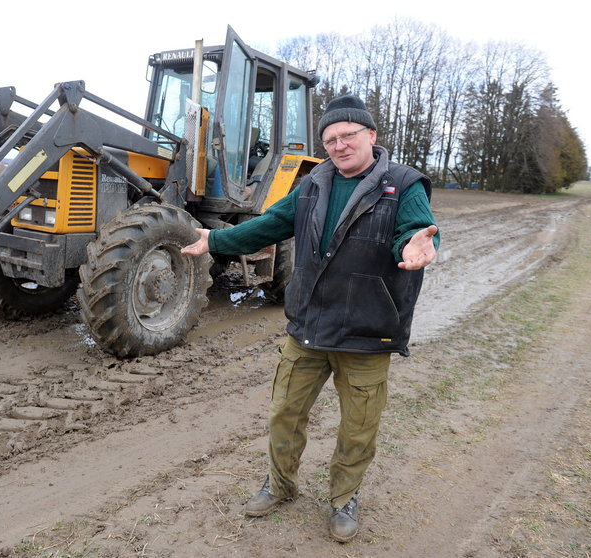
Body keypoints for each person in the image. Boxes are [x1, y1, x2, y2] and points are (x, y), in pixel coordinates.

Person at [181, 94, 439, 542]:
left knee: (358, 427)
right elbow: (271, 223)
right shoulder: (314, 183)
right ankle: (280, 485)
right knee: (285, 412)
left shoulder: (403, 184)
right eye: (330, 139)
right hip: (308, 327)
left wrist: (415, 244)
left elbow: (413, 229)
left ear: (371, 137)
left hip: (367, 331)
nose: (339, 146)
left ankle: (344, 499)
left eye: (348, 136)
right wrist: (217, 240)